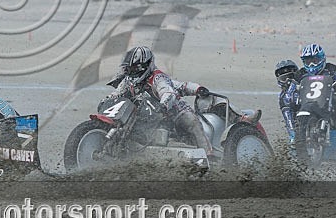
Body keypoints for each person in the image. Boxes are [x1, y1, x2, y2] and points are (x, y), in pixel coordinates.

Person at [104, 47, 259, 159]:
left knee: (192, 122)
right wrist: (108, 101)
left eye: (135, 68)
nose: (132, 71)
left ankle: (209, 154)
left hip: (174, 112)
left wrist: (163, 105)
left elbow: (169, 93)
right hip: (149, 117)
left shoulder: (157, 78)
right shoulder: (129, 81)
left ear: (145, 65)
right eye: (130, 68)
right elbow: (116, 94)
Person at [274, 59, 300, 142]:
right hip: (302, 129)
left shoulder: (308, 85)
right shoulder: (284, 97)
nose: (288, 81)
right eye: (284, 78)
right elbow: (289, 120)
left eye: (291, 77)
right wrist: (293, 136)